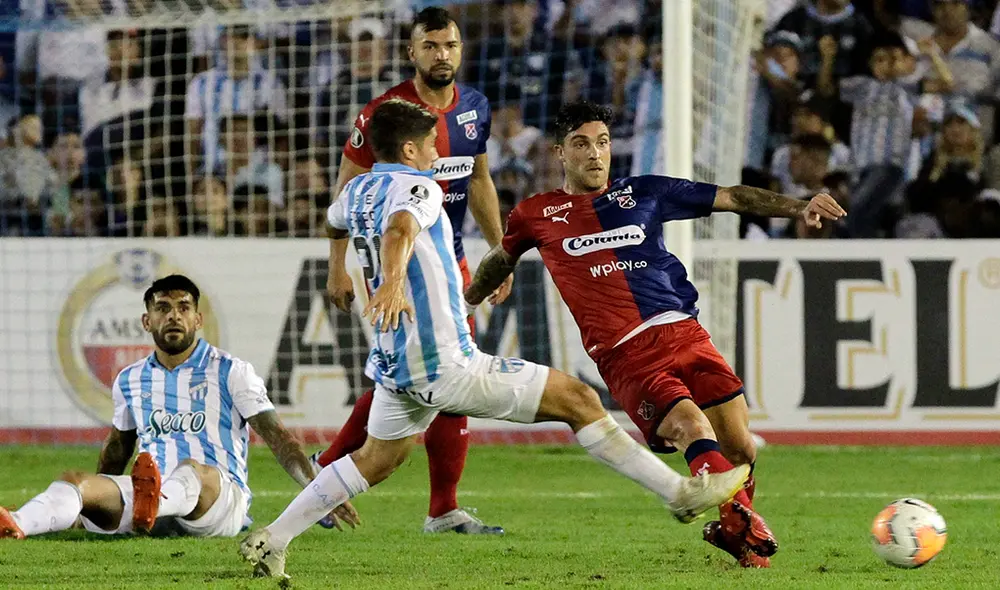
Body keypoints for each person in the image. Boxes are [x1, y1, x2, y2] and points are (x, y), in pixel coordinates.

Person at [239, 98, 750, 579]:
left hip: (396, 360)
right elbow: (399, 230)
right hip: (445, 362)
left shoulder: (353, 192)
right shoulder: (420, 189)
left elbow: (334, 224)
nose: (441, 153)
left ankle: (274, 537)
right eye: (432, 144)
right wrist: (393, 280)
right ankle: (680, 493)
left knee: (378, 459)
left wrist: (339, 271)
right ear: (410, 150)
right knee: (579, 400)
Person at [463, 101, 847, 568]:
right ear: (561, 153)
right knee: (691, 428)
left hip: (686, 334)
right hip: (627, 355)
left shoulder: (644, 192)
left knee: (742, 447)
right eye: (582, 145)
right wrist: (471, 295)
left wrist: (800, 206)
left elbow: (733, 197)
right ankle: (745, 537)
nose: (595, 155)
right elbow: (500, 259)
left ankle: (733, 529)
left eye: (602, 143)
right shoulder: (535, 214)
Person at [316, 6, 512, 535]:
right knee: (423, 374)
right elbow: (346, 192)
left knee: (428, 374)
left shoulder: (474, 108)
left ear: (460, 49)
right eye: (430, 46)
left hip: (450, 260)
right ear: (412, 52)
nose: (441, 55)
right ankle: (431, 506)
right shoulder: (386, 114)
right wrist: (338, 269)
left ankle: (342, 475)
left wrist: (500, 251)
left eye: (449, 45)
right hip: (395, 264)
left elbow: (479, 181)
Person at [0, 275, 354, 540]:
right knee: (76, 483)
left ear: (198, 319)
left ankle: (153, 503)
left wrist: (321, 491)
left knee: (192, 471)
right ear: (147, 321)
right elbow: (118, 447)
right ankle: (17, 522)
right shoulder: (130, 379)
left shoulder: (231, 371)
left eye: (184, 308)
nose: (174, 316)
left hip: (219, 502)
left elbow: (279, 439)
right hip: (147, 502)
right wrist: (92, 500)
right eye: (162, 308)